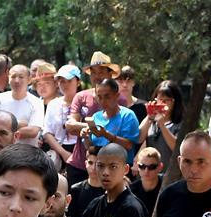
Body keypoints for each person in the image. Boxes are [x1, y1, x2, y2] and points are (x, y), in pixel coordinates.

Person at [64, 51, 123, 186]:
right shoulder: (81, 97)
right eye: (94, 72)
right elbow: (70, 126)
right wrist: (94, 127)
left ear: (110, 74)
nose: (97, 76)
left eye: (101, 71)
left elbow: (123, 130)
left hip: (109, 167)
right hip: (79, 164)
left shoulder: (120, 99)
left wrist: (93, 127)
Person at [85, 79, 141, 165]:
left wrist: (106, 134)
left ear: (117, 96)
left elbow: (129, 145)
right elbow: (90, 146)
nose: (103, 101)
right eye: (99, 97)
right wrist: (85, 136)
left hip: (120, 169)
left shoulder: (127, 116)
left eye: (107, 97)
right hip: (98, 167)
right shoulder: (96, 117)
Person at [0, 64, 44, 146]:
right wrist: (19, 124)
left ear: (29, 80)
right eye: (13, 76)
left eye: (21, 77)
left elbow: (33, 131)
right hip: (2, 150)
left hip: (27, 152)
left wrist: (3, 130)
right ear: (8, 78)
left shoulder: (36, 102)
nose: (16, 80)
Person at [138, 80, 183, 173]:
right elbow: (139, 138)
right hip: (150, 173)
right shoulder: (151, 122)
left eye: (166, 100)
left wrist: (162, 125)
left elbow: (178, 148)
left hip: (171, 174)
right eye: (159, 100)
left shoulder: (180, 124)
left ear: (174, 102)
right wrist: (149, 117)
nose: (162, 103)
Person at [43, 64, 82, 170]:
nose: (65, 85)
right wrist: (63, 153)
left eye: (69, 81)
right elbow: (47, 132)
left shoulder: (86, 103)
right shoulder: (53, 104)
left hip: (82, 150)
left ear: (78, 82)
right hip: (58, 151)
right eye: (61, 81)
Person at [130, 147, 164, 214]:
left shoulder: (166, 186)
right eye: (142, 166)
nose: (146, 171)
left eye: (152, 167)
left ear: (160, 167)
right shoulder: (131, 191)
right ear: (137, 166)